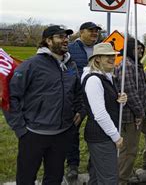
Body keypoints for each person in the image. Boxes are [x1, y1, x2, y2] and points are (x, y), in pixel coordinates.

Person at [4, 25, 85, 184]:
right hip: (33, 134)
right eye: (60, 37)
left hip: (62, 134)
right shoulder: (31, 65)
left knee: (54, 178)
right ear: (48, 41)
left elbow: (77, 93)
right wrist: (20, 129)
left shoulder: (71, 65)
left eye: (67, 37)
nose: (66, 40)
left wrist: (81, 111)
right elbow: (11, 97)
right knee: (26, 178)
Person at [115, 38, 146, 184]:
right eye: (137, 49)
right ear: (129, 49)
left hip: (142, 112)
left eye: (141, 49)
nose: (141, 51)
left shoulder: (137, 65)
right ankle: (121, 180)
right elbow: (130, 93)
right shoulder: (126, 65)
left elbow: (144, 89)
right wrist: (140, 114)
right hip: (131, 115)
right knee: (129, 150)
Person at [82, 42, 127, 184]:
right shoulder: (94, 80)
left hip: (102, 135)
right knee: (109, 179)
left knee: (96, 177)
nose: (112, 59)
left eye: (112, 56)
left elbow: (108, 104)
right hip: (101, 137)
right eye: (107, 56)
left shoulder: (107, 77)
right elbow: (100, 114)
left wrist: (121, 99)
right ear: (97, 59)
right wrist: (116, 137)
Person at [66, 21, 102, 180]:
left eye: (96, 31)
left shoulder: (100, 49)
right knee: (72, 131)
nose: (95, 33)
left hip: (97, 96)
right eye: (91, 30)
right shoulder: (71, 49)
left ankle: (93, 163)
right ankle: (72, 165)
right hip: (77, 97)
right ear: (81, 32)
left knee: (97, 130)